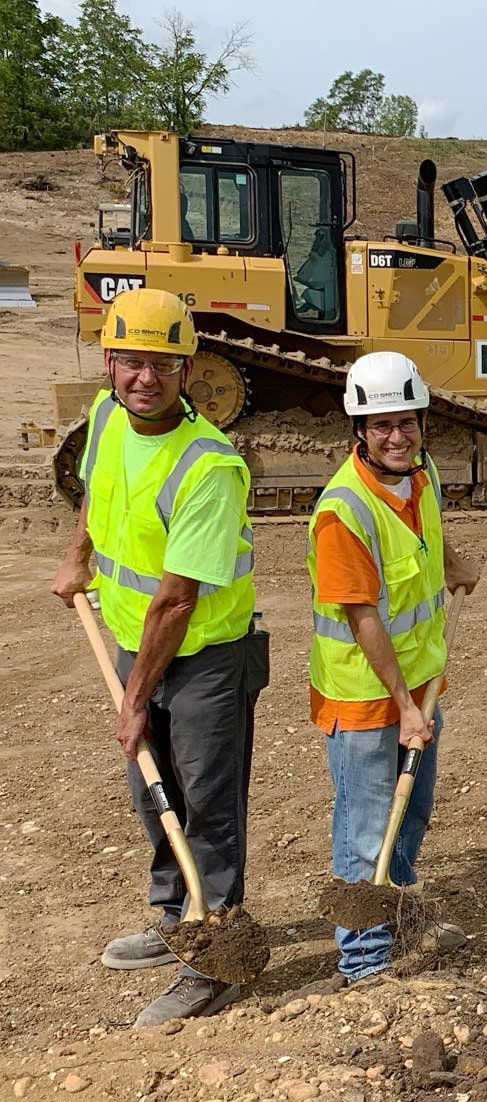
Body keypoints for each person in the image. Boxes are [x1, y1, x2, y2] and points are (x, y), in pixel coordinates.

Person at [50, 287, 265, 1027]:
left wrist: (134, 696)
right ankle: (175, 914)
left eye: (162, 364)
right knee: (153, 789)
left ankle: (214, 959)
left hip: (205, 657)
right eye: (131, 361)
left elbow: (176, 599)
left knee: (204, 805)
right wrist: (78, 557)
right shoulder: (110, 415)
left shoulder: (209, 467)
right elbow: (95, 489)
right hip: (137, 641)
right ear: (110, 361)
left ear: (188, 369)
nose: (145, 377)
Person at [307, 351, 480, 984]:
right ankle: (364, 961)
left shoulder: (421, 473)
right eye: (381, 425)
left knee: (413, 812)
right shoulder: (343, 512)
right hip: (367, 699)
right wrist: (404, 707)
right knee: (366, 826)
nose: (397, 436)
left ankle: (398, 913)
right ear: (359, 430)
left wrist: (452, 561)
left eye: (406, 422)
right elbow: (364, 620)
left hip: (420, 687)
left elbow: (426, 535)